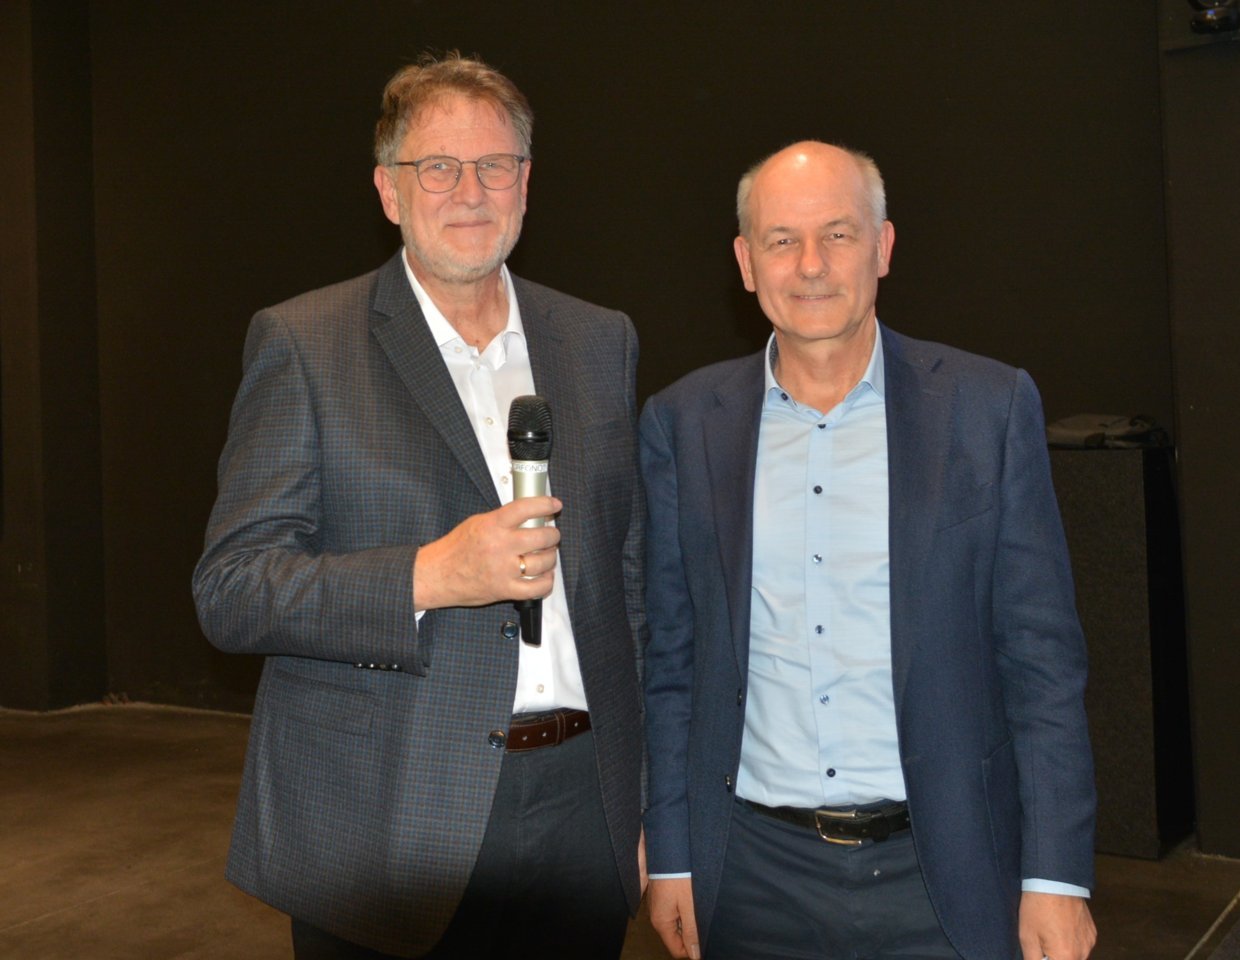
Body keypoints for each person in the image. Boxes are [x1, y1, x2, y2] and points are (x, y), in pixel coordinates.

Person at [192, 53, 646, 960]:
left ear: (526, 183)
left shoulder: (600, 340)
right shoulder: (304, 343)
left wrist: (644, 802)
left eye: (494, 166)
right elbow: (232, 590)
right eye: (438, 167)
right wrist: (430, 576)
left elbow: (630, 580)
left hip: (583, 812)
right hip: (388, 820)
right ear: (388, 191)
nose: (470, 191)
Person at [640, 141, 1096, 960]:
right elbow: (670, 664)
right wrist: (671, 854)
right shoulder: (682, 424)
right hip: (751, 875)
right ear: (746, 263)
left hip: (948, 869)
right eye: (782, 240)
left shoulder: (986, 409)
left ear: (883, 247)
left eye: (839, 235)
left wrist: (1056, 876)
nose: (811, 265)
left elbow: (1043, 663)